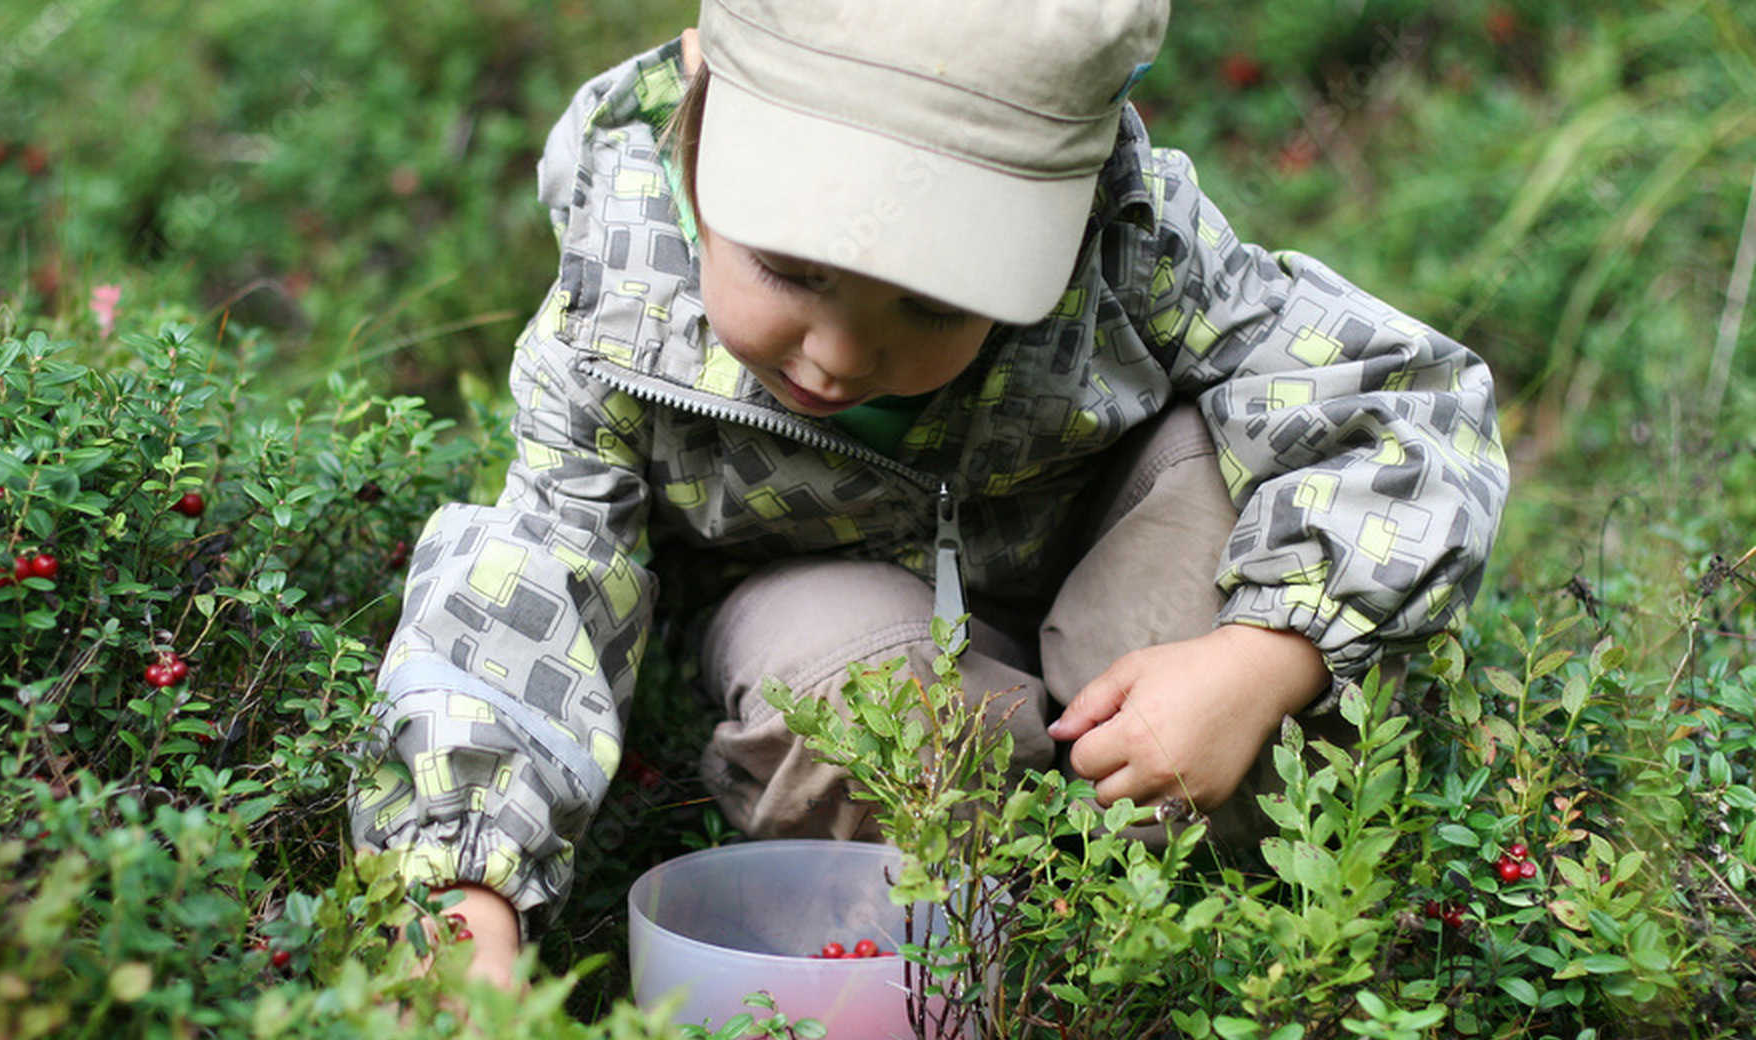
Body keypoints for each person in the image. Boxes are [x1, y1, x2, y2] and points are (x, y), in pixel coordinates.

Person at [351, 0, 1509, 990]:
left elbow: (1404, 402)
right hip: (844, 623)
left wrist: (1263, 657)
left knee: (1232, 506)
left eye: (934, 303)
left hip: (1118, 604)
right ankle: (1001, 957)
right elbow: (532, 588)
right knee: (850, 709)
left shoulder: (1129, 245)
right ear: (697, 113)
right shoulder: (617, 329)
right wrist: (461, 892)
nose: (839, 356)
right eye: (791, 272)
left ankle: (1199, 921)